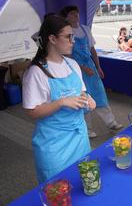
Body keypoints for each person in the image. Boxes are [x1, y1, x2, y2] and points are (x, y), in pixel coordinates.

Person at [22, 15, 95, 183]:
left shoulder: (72, 64)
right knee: (59, 189)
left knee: (83, 182)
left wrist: (88, 99)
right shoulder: (36, 72)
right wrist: (61, 102)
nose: (73, 41)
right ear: (52, 39)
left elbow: (81, 93)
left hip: (79, 138)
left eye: (73, 36)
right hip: (54, 145)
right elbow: (32, 112)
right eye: (68, 37)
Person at [60, 6, 123, 139]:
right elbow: (67, 56)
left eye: (76, 13)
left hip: (90, 66)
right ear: (66, 17)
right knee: (83, 97)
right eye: (72, 14)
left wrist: (98, 67)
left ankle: (111, 122)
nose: (76, 15)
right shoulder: (66, 32)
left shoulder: (85, 29)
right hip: (76, 69)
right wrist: (82, 68)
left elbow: (92, 50)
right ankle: (87, 128)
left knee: (100, 94)